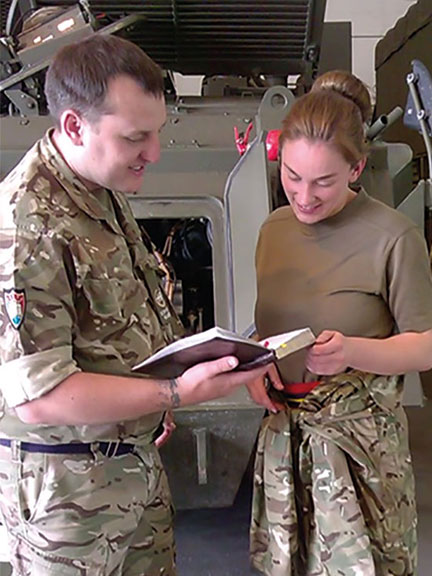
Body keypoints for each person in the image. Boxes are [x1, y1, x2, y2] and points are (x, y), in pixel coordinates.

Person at [0, 34, 281, 576]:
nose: (153, 153)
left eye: (156, 133)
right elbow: (39, 397)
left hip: (136, 473)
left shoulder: (101, 191)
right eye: (136, 137)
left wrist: (216, 367)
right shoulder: (31, 224)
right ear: (75, 126)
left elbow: (124, 322)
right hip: (70, 505)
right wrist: (172, 391)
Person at [248, 70, 432, 576]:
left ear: (357, 168)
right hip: (286, 440)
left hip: (359, 448)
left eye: (323, 181)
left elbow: (426, 345)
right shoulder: (273, 231)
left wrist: (353, 351)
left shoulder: (393, 236)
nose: (304, 196)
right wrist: (256, 366)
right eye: (291, 176)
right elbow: (273, 323)